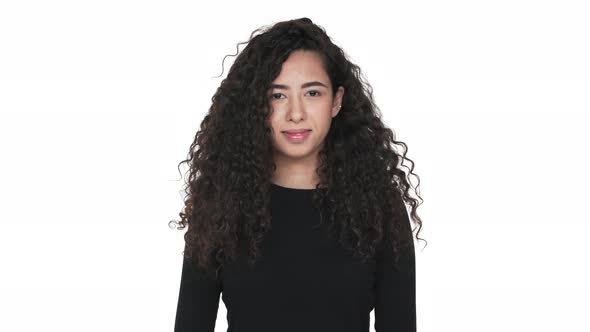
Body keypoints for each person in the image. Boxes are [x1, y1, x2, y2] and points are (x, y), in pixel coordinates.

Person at [169, 17, 425, 332]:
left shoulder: (377, 207)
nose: (296, 113)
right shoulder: (222, 204)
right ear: (256, 105)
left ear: (337, 100)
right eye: (277, 95)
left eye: (312, 93)